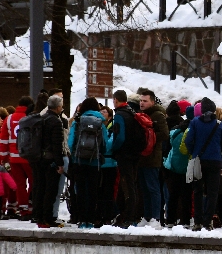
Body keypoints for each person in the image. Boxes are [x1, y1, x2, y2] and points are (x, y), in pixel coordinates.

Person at [184, 97, 222, 231]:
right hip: (215, 162)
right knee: (212, 193)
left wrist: (195, 153)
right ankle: (208, 221)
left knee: (198, 191)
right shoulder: (220, 125)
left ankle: (197, 221)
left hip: (198, 161)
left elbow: (188, 141)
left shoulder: (195, 122)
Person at [67, 97, 109, 229]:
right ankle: (90, 220)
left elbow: (70, 142)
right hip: (94, 162)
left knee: (80, 190)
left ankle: (81, 220)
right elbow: (106, 143)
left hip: (78, 161)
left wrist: (73, 155)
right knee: (92, 191)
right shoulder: (100, 122)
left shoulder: (78, 120)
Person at [32, 96, 66, 228]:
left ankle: (39, 217)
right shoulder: (56, 122)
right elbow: (56, 145)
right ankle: (47, 217)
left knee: (40, 188)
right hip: (50, 160)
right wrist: (59, 163)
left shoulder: (42, 118)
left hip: (39, 159)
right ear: (58, 107)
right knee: (50, 190)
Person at [111, 89, 142, 228]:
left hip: (125, 155)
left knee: (127, 185)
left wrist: (114, 148)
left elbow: (120, 137)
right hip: (135, 154)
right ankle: (127, 214)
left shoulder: (119, 115)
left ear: (116, 100)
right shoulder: (132, 112)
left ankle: (129, 216)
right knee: (132, 184)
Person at [138, 90, 170, 229]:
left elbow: (164, 134)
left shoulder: (158, 115)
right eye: (141, 100)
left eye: (145, 101)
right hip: (143, 157)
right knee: (145, 189)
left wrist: (149, 135)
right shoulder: (143, 115)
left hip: (152, 157)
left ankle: (156, 218)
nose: (142, 103)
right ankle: (147, 216)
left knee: (153, 188)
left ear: (152, 101)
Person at [0, 96, 35, 220]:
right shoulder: (32, 118)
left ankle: (23, 209)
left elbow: (3, 140)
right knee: (33, 182)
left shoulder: (9, 119)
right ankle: (32, 207)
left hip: (14, 158)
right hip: (29, 158)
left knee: (19, 185)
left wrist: (4, 157)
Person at [165, 106, 193, 227]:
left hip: (174, 167)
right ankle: (186, 220)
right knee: (186, 196)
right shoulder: (193, 131)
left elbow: (167, 148)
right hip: (188, 167)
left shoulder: (174, 132)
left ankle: (170, 220)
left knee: (173, 196)